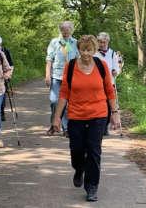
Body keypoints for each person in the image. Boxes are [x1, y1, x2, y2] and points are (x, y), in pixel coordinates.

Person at [53, 35, 120, 202]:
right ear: (78, 50)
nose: (86, 53)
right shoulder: (70, 67)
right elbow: (64, 93)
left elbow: (110, 91)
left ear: (95, 50)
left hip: (98, 115)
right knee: (76, 150)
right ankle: (79, 168)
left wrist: (115, 112)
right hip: (76, 115)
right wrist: (56, 118)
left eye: (89, 50)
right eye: (83, 49)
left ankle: (91, 187)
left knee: (94, 151)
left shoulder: (101, 65)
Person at [45, 21, 79, 136]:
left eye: (67, 30)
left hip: (71, 77)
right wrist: (47, 75)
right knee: (54, 101)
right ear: (60, 30)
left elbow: (79, 60)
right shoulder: (55, 42)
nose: (65, 32)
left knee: (67, 103)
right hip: (57, 76)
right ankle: (54, 125)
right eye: (63, 30)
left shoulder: (75, 43)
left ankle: (66, 128)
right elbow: (49, 59)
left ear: (71, 30)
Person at [95, 32, 120, 136]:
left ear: (108, 42)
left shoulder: (113, 53)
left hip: (109, 82)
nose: (102, 44)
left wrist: (116, 71)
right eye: (100, 42)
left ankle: (105, 127)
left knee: (109, 106)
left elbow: (117, 68)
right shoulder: (94, 53)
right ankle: (98, 126)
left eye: (104, 42)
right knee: (99, 105)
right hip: (97, 83)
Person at [0, 36, 14, 122]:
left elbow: (11, 65)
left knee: (2, 94)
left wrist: (9, 75)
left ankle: (1, 112)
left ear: (1, 44)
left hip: (3, 76)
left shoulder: (6, 51)